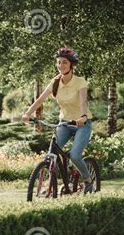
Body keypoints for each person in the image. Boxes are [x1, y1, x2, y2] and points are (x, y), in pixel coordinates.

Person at [22, 47, 94, 193]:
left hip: (82, 124)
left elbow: (83, 101)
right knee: (51, 154)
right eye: (59, 62)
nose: (61, 66)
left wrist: (83, 116)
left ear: (71, 65)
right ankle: (49, 186)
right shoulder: (55, 82)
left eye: (65, 63)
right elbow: (40, 99)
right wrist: (28, 113)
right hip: (65, 123)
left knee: (74, 155)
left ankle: (88, 180)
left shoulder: (80, 82)